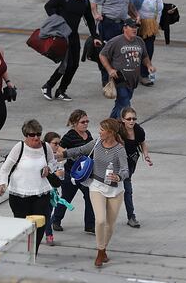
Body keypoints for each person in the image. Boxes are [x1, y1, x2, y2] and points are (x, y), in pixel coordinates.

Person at [57, 118, 129, 268]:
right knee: (100, 220)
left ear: (110, 132)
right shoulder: (96, 143)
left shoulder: (119, 149)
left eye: (102, 130)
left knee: (110, 224)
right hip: (96, 185)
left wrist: (118, 176)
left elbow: (125, 170)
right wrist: (61, 155)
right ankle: (100, 251)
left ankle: (103, 249)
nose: (99, 132)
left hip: (115, 189)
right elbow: (79, 150)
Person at [0, 119, 56, 254]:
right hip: (19, 195)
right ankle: (22, 252)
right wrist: (2, 184)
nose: (36, 137)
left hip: (41, 194)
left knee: (41, 225)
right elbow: (5, 169)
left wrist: (49, 168)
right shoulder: (19, 148)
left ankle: (32, 253)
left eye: (38, 134)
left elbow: (53, 162)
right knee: (22, 227)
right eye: (32, 135)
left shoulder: (46, 147)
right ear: (26, 135)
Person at [41, 0, 100, 101]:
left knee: (75, 65)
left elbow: (90, 20)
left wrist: (95, 36)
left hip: (74, 37)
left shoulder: (85, 2)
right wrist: (57, 20)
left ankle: (61, 90)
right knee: (67, 64)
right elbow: (48, 6)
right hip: (62, 36)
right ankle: (48, 86)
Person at [50, 109, 96, 235]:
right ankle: (56, 220)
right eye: (82, 122)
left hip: (85, 174)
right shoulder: (69, 135)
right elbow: (60, 149)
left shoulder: (88, 134)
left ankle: (90, 225)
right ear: (75, 123)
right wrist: (71, 155)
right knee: (66, 198)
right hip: (71, 173)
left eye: (87, 121)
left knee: (89, 197)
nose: (86, 124)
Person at [91, 0, 138, 85]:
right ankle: (106, 80)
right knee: (107, 52)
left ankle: (118, 78)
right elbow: (94, 4)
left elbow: (129, 4)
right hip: (108, 24)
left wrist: (136, 15)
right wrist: (96, 14)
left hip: (122, 24)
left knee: (122, 51)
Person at [99, 19, 154, 119]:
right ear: (124, 28)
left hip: (133, 80)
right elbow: (102, 55)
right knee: (125, 103)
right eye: (132, 27)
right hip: (120, 78)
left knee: (120, 104)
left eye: (136, 27)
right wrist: (110, 70)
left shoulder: (139, 41)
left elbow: (145, 56)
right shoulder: (115, 41)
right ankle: (124, 125)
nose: (135, 29)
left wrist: (149, 65)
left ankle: (110, 124)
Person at [119, 107, 152, 228]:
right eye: (129, 119)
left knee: (128, 191)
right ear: (123, 119)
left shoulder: (138, 130)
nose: (132, 121)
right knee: (111, 191)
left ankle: (131, 217)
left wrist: (146, 155)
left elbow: (142, 143)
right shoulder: (118, 130)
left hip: (130, 164)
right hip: (116, 164)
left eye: (134, 118)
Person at [131, 0, 164, 86]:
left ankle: (144, 74)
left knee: (149, 50)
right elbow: (132, 9)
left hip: (153, 26)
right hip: (141, 26)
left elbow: (159, 9)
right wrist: (136, 22)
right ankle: (135, 73)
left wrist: (158, 23)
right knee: (137, 50)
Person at [43, 131, 64, 245]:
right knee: (46, 213)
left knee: (49, 212)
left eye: (59, 144)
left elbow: (61, 175)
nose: (57, 146)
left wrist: (60, 174)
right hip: (42, 190)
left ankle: (46, 232)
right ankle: (49, 235)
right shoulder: (42, 157)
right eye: (55, 143)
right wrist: (54, 174)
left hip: (53, 191)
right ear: (47, 144)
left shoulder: (57, 158)